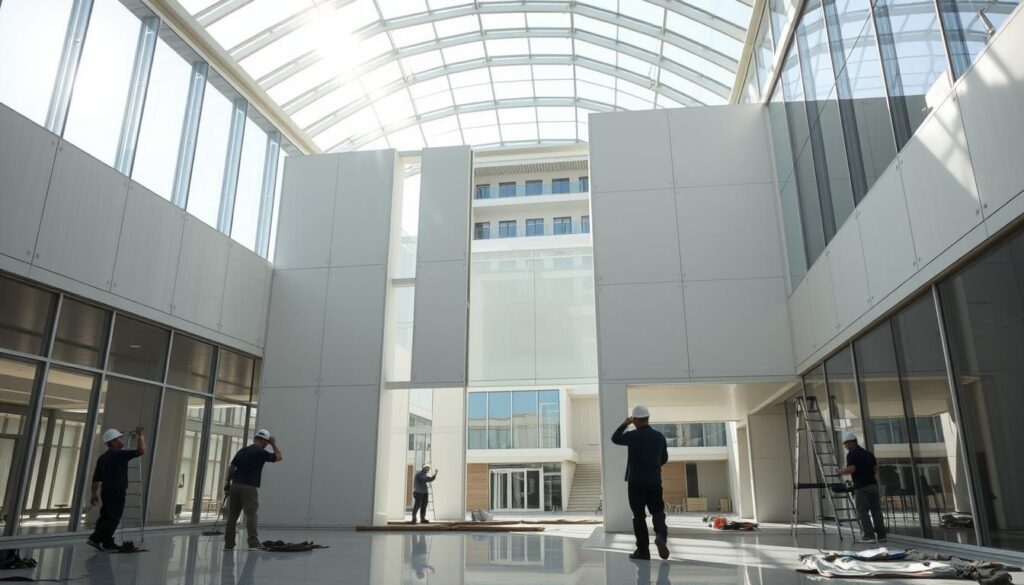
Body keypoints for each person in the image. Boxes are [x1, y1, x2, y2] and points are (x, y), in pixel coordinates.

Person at [612, 404, 670, 560]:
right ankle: (661, 536)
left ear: (635, 420)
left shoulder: (632, 436)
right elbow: (664, 458)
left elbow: (615, 438)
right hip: (654, 482)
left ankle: (643, 551)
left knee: (638, 516)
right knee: (658, 511)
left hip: (636, 482)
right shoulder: (659, 437)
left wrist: (625, 423)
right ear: (648, 418)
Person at [87, 426, 145, 552]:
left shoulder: (102, 458)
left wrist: (93, 493)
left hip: (106, 491)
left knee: (105, 517)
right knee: (113, 518)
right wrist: (140, 436)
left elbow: (96, 478)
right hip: (117, 491)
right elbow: (141, 451)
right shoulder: (119, 455)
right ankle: (95, 539)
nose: (121, 441)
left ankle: (107, 542)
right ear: (112, 442)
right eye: (118, 439)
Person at [224, 429, 283, 551]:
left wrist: (228, 482)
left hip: (235, 486)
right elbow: (279, 457)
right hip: (249, 487)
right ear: (264, 441)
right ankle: (253, 543)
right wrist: (273, 444)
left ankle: (229, 544)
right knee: (251, 514)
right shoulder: (260, 452)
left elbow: (232, 466)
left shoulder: (243, 451)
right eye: (266, 442)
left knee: (232, 516)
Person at [839, 430, 886, 542]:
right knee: (876, 511)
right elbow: (875, 468)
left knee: (862, 511)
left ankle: (869, 535)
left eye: (845, 444)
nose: (845, 446)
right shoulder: (868, 454)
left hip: (862, 487)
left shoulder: (852, 454)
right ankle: (882, 535)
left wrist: (840, 472)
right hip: (873, 485)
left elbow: (852, 469)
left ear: (850, 442)